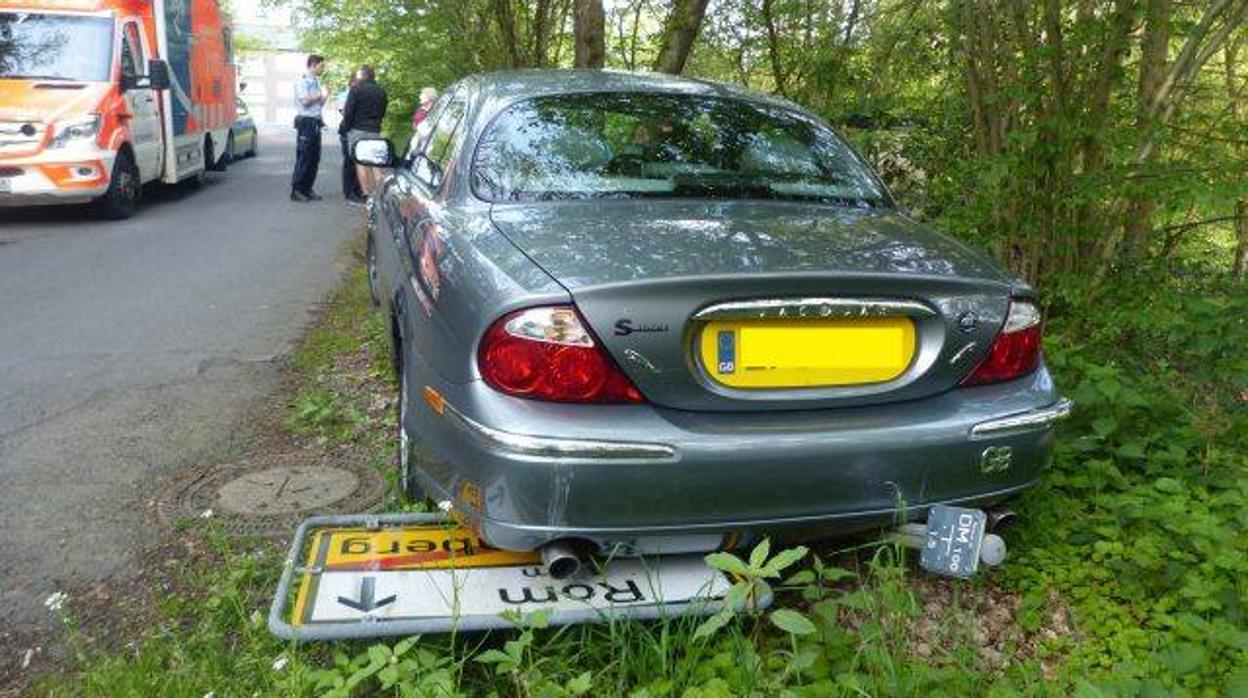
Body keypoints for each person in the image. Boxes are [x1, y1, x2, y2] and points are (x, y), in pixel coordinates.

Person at [338, 64, 388, 199]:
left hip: (358, 130)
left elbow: (348, 112)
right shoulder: (381, 91)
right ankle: (381, 193)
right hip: (375, 130)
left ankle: (366, 193)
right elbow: (383, 112)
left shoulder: (356, 90)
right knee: (375, 163)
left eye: (359, 74)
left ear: (364, 75)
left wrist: (345, 129)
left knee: (360, 162)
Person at [291, 54, 328, 202]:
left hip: (316, 122)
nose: (323, 69)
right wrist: (320, 94)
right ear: (313, 64)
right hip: (306, 122)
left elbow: (319, 105)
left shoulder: (315, 81)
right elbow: (305, 101)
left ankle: (308, 188)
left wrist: (325, 96)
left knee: (314, 158)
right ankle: (297, 190)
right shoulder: (303, 81)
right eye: (321, 66)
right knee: (304, 157)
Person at [337, 75, 364, 203]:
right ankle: (349, 192)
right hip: (347, 131)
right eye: (359, 82)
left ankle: (357, 190)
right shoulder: (345, 95)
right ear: (353, 82)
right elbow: (345, 113)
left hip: (357, 130)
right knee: (349, 161)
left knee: (357, 161)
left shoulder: (358, 94)